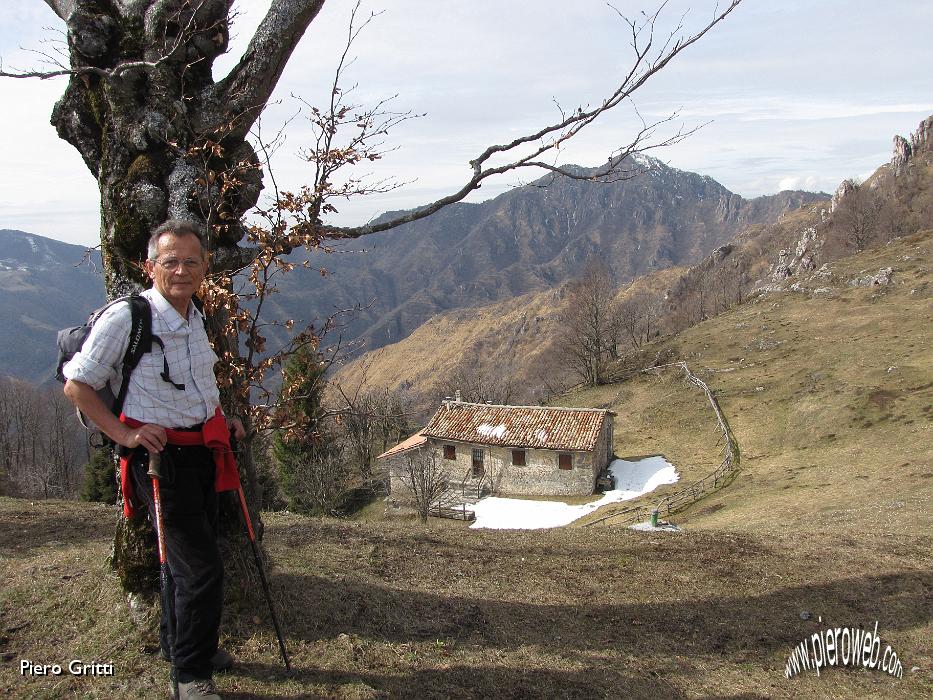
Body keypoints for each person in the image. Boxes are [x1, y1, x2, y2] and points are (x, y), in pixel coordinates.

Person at [63, 219, 244, 700]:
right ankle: (191, 676)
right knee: (200, 570)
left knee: (193, 562)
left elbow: (199, 381)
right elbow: (77, 385)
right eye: (170, 261)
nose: (181, 270)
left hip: (203, 452)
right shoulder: (128, 318)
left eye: (191, 261)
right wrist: (124, 432)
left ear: (205, 267)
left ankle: (181, 645)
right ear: (150, 266)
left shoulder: (196, 313)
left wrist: (221, 418)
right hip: (159, 464)